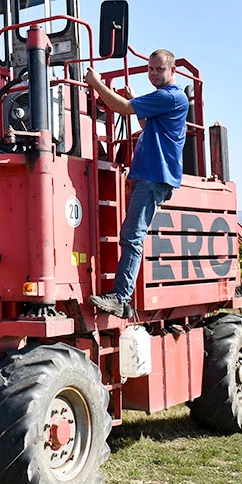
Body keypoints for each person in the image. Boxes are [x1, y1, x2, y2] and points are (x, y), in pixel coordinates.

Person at [84, 49, 189, 318]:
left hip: (154, 175)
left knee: (132, 236)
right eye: (150, 69)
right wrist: (132, 100)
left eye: (159, 69)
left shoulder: (169, 96)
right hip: (150, 174)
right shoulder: (164, 99)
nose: (153, 74)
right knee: (131, 234)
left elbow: (123, 109)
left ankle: (121, 297)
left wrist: (96, 83)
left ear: (173, 71)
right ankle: (121, 294)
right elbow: (144, 121)